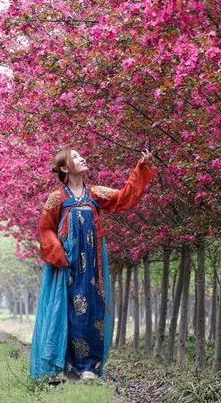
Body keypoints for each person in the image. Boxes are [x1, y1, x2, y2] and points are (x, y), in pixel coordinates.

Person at [30, 148, 155, 381]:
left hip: (93, 267)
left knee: (92, 311)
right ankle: (62, 365)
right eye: (75, 157)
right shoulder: (57, 198)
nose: (82, 158)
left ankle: (89, 366)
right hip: (67, 265)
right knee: (66, 311)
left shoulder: (95, 193)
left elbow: (123, 197)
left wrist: (141, 166)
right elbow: (45, 228)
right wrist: (59, 253)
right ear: (65, 168)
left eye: (80, 155)